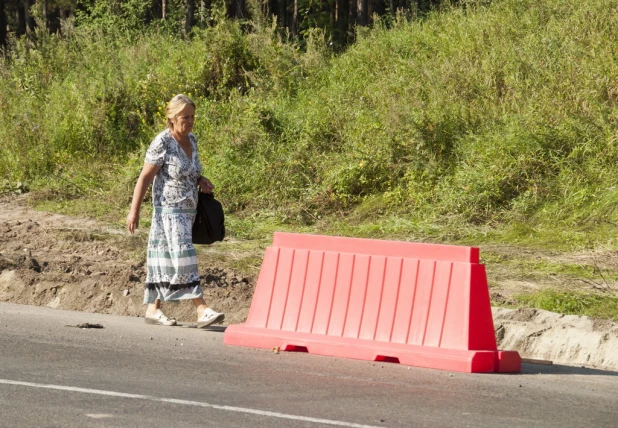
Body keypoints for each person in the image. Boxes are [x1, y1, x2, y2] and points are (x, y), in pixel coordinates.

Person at [126, 94, 225, 328]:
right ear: (172, 117)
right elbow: (145, 178)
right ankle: (201, 309)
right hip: (168, 211)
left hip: (189, 211)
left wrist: (201, 179)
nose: (190, 121)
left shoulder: (192, 139)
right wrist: (134, 211)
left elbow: (190, 170)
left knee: (168, 259)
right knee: (183, 256)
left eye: (192, 116)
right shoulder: (162, 142)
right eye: (185, 117)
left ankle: (153, 308)